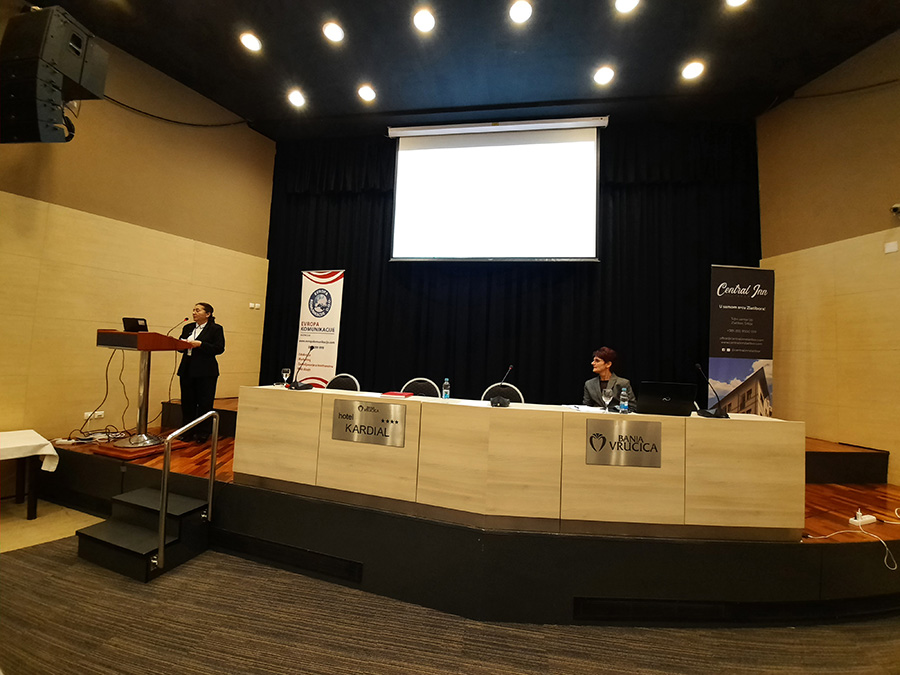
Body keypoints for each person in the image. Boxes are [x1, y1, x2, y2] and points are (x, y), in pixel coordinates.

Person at [177, 302, 225, 442]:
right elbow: (180, 347)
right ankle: (187, 431)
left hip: (206, 371)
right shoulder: (188, 327)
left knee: (204, 403)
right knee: (187, 402)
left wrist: (201, 344)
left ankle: (203, 433)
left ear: (208, 314)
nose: (194, 313)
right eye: (193, 310)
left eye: (198, 310)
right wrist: (181, 345)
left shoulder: (215, 329)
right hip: (187, 369)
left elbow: (219, 348)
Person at [582, 346, 635, 411]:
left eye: (597, 361)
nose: (592, 363)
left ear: (608, 364)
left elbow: (632, 407)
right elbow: (585, 407)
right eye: (593, 360)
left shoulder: (623, 383)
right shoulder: (589, 384)